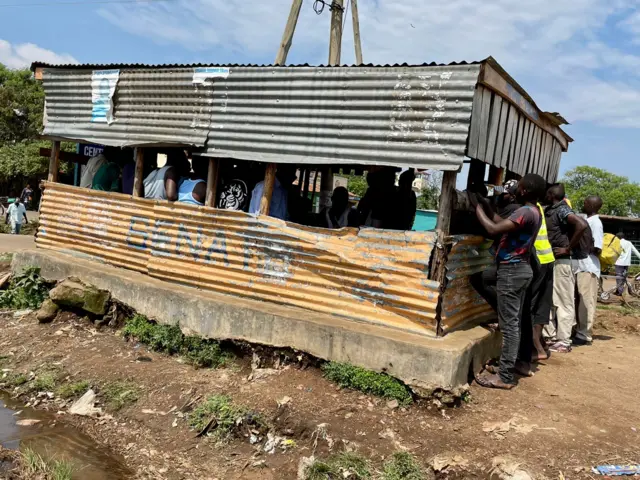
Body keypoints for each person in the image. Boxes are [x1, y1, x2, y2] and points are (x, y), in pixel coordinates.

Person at [472, 173, 546, 390]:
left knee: (510, 326)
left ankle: (505, 377)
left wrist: (477, 210)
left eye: (518, 187)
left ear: (523, 191)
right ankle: (511, 366)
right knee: (511, 320)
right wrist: (486, 205)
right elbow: (500, 223)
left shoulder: (525, 211)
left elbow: (493, 229)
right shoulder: (533, 211)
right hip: (518, 270)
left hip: (512, 272)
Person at [544, 184, 588, 353]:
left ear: (550, 194)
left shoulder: (562, 209)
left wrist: (567, 248)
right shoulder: (553, 209)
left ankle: (563, 341)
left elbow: (581, 225)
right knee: (554, 300)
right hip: (555, 261)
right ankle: (553, 337)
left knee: (563, 301)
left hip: (563, 261)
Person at [574, 196, 603, 346]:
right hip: (582, 266)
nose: (583, 203)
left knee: (587, 301)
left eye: (586, 202)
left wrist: (580, 245)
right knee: (580, 300)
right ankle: (579, 330)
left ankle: (584, 334)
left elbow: (598, 248)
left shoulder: (595, 223)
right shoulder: (587, 220)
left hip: (589, 266)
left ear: (593, 206)